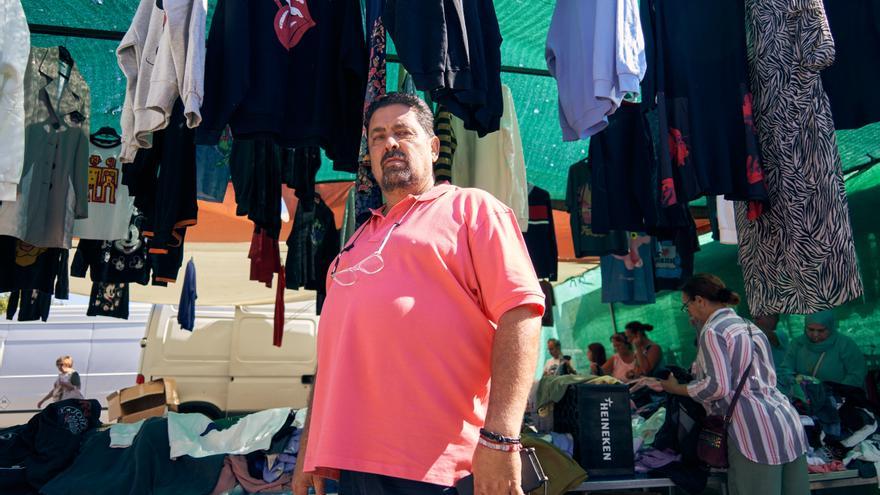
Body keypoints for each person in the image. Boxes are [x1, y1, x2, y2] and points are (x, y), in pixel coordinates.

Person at [295, 93, 546, 495]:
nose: (389, 144)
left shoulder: (473, 209)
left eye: (402, 132)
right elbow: (331, 358)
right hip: (354, 467)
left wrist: (501, 436)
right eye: (378, 137)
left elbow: (522, 313)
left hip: (441, 469)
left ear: (433, 147)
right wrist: (310, 446)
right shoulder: (353, 244)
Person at [659, 274, 808, 495]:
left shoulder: (714, 331)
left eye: (686, 305)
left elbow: (717, 387)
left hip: (752, 428)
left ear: (699, 300)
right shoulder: (749, 326)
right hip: (786, 421)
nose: (688, 311)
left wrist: (676, 388)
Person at [784, 310, 866, 389]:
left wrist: (837, 392)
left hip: (839, 398)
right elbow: (786, 370)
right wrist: (794, 383)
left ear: (830, 328)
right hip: (805, 397)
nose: (815, 334)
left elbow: (856, 374)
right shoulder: (797, 344)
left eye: (821, 330)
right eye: (811, 329)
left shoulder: (845, 345)